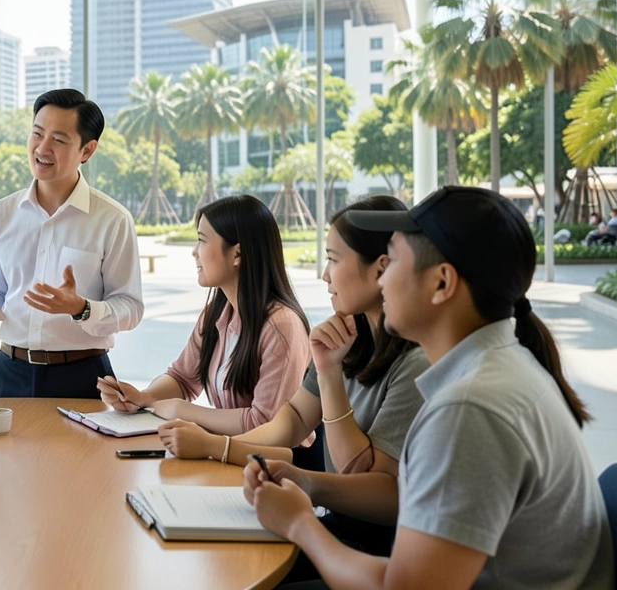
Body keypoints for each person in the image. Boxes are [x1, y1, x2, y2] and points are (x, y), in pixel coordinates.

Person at [245, 186, 613, 589]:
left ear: (442, 283)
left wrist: (299, 524)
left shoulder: (468, 409)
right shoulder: (500, 368)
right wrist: (306, 484)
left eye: (395, 260)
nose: (383, 276)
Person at [155, 196, 428, 570]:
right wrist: (216, 446)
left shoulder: (412, 365)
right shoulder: (350, 336)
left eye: (333, 259)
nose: (324, 275)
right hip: (337, 524)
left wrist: (329, 375)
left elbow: (361, 475)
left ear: (381, 269)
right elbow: (293, 418)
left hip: (379, 549)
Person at [0, 88, 144, 399]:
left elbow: (131, 307)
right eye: (37, 133)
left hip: (82, 376)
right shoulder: (2, 213)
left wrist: (81, 309)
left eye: (59, 139)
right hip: (8, 372)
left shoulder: (112, 220)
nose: (42, 147)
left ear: (87, 150)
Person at [96, 195, 311, 437]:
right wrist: (143, 397)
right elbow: (183, 378)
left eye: (201, 241)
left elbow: (266, 424)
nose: (193, 253)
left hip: (274, 468)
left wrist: (183, 411)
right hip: (229, 456)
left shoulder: (282, 325)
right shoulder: (216, 313)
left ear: (237, 254)